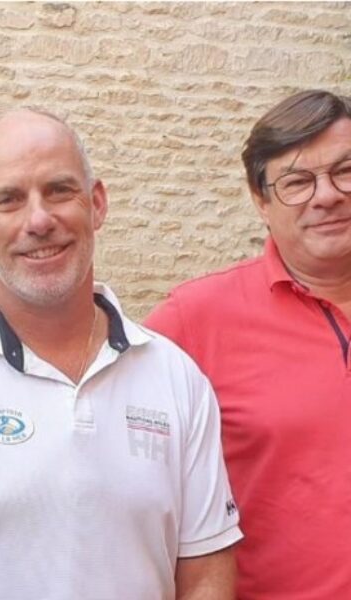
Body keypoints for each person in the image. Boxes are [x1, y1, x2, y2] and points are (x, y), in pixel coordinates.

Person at [0, 108, 241, 600]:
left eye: (59, 191)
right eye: (8, 200)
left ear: (97, 204)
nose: (38, 221)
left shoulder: (176, 377)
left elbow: (207, 577)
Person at [145, 89, 351, 599]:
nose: (327, 195)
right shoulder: (195, 320)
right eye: (297, 182)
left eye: (345, 171)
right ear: (261, 201)